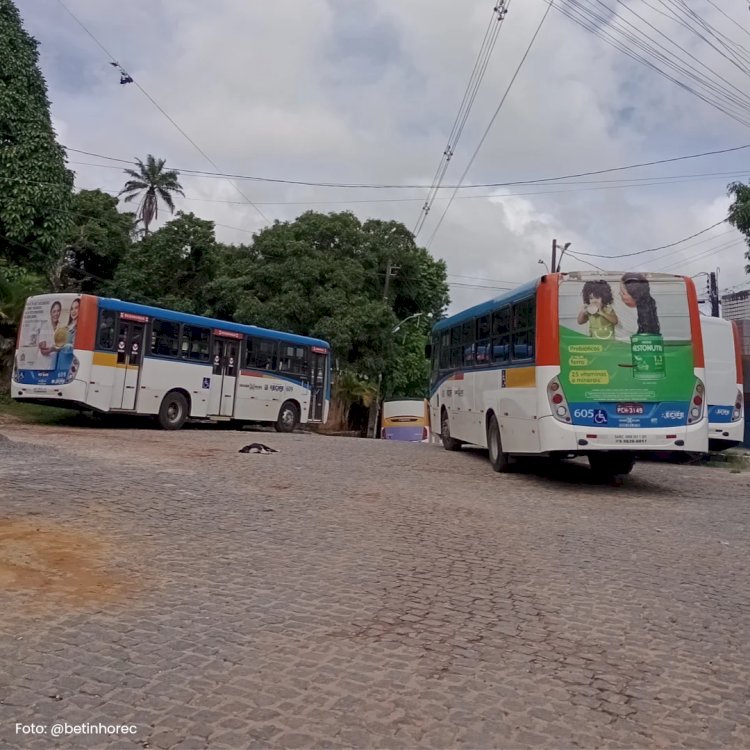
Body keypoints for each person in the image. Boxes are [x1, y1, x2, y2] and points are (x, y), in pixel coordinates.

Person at [37, 300, 62, 368]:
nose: (56, 314)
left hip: (55, 363)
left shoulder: (62, 327)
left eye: (58, 311)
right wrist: (52, 349)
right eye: (54, 311)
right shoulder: (45, 326)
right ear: (50, 313)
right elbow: (43, 351)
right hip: (43, 363)